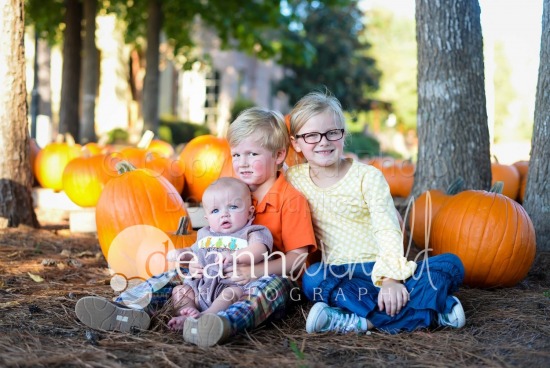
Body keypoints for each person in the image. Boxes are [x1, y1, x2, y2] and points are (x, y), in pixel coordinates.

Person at [75, 107, 317, 347]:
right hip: (216, 273)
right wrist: (194, 262)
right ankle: (127, 307)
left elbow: (297, 260)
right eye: (236, 155)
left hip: (270, 277)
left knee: (266, 289)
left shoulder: (291, 200)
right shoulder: (231, 193)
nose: (242, 163)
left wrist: (254, 272)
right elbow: (207, 240)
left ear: (278, 155)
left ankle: (220, 322)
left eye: (253, 154)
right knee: (173, 276)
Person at [285, 91, 466, 334]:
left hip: (380, 267)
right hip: (342, 275)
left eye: (332, 132)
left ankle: (360, 320)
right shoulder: (294, 179)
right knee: (313, 279)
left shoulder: (367, 177)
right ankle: (429, 312)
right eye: (311, 136)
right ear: (295, 142)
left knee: (451, 265)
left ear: (343, 134)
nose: (323, 141)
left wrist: (390, 279)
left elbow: (387, 227)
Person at [167, 177, 273, 332]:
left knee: (233, 293)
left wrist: (235, 256)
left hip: (229, 286)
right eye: (216, 211)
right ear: (207, 218)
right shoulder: (204, 234)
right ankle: (187, 314)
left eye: (233, 207)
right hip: (200, 289)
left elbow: (260, 249)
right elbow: (193, 252)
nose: (224, 214)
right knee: (180, 291)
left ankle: (207, 316)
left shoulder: (252, 231)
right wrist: (182, 256)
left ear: (250, 212)